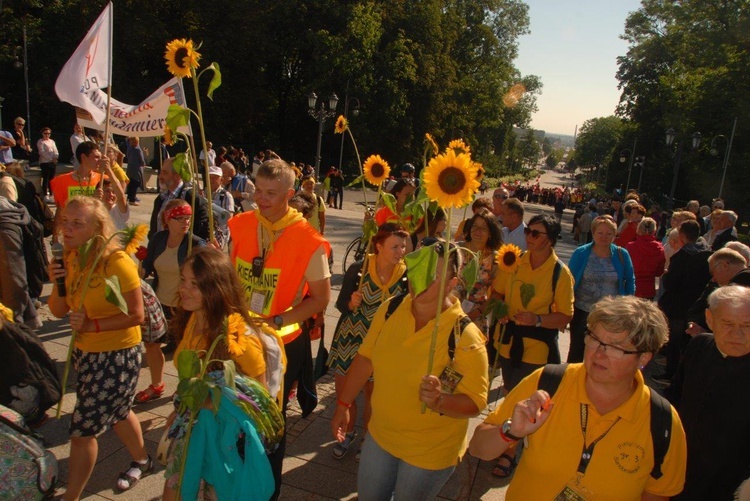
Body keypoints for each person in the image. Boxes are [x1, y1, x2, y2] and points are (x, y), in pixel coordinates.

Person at [469, 295, 687, 500]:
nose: (599, 353)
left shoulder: (662, 421)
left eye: (616, 347)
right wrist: (511, 432)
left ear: (644, 358)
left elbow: (657, 493)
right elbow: (478, 448)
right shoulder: (548, 382)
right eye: (594, 339)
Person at [331, 243, 488, 500]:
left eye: (434, 275)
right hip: (380, 436)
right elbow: (365, 358)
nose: (421, 281)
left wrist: (439, 400)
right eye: (418, 269)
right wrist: (342, 404)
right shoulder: (391, 308)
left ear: (452, 282)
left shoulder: (465, 336)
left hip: (428, 453)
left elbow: (475, 403)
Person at [227, 157, 331, 499]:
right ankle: (232, 478)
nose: (262, 198)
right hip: (237, 338)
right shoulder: (240, 224)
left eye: (271, 193)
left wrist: (277, 321)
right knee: (232, 411)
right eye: (258, 190)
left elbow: (319, 300)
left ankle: (266, 489)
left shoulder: (308, 238)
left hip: (278, 346)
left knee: (269, 422)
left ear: (289, 194)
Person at [47, 196, 151, 498]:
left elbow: (137, 315)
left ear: (97, 228)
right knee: (119, 411)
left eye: (77, 223)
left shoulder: (117, 262)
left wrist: (92, 325)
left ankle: (71, 496)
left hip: (117, 356)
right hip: (86, 352)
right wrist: (57, 283)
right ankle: (143, 459)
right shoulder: (71, 256)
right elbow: (57, 311)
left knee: (82, 432)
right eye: (65, 221)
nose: (67, 229)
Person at [162, 247, 284, 501]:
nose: (184, 288)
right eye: (183, 280)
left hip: (221, 445)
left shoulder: (240, 338)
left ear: (215, 289)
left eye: (195, 284)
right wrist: (181, 408)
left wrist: (208, 403)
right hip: (192, 429)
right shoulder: (195, 317)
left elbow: (258, 403)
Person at [489, 214, 574, 477]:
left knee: (524, 399)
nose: (529, 237)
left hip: (536, 347)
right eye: (528, 232)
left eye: (536, 234)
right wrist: (501, 309)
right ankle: (507, 438)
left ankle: (509, 452)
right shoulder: (513, 261)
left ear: (550, 240)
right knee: (509, 389)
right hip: (508, 341)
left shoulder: (560, 273)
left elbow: (565, 316)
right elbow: (497, 292)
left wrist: (537, 319)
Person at [328, 223, 409, 460]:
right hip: (350, 339)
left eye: (403, 246)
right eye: (394, 246)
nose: (400, 251)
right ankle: (348, 431)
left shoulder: (406, 275)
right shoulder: (359, 268)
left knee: (373, 394)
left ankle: (368, 437)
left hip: (382, 343)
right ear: (379, 246)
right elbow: (340, 304)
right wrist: (351, 303)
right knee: (345, 392)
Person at [666, 285, 750, 500]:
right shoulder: (699, 345)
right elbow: (675, 394)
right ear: (710, 319)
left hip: (732, 483)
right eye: (728, 324)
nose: (737, 334)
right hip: (679, 468)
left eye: (747, 326)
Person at [139, 199, 206, 403]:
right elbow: (147, 267)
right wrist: (139, 262)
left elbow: (207, 272)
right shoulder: (159, 238)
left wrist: (212, 252)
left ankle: (185, 387)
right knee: (152, 345)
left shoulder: (194, 243)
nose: (185, 222)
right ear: (168, 220)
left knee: (186, 351)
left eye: (188, 218)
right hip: (159, 302)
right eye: (180, 218)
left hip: (184, 306)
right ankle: (157, 384)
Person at [567, 215, 635, 362]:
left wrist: (629, 305)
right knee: (577, 351)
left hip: (611, 315)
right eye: (600, 233)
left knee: (604, 353)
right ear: (593, 233)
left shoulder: (621, 254)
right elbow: (568, 281)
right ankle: (572, 381)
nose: (604, 237)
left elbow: (629, 280)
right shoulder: (581, 253)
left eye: (609, 234)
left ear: (615, 235)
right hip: (583, 311)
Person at [658, 220, 712, 380]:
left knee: (674, 342)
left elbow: (670, 283)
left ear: (681, 235)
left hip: (678, 305)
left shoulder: (682, 256)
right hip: (696, 305)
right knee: (686, 344)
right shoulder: (707, 253)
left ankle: (671, 374)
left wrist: (666, 274)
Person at [456, 209, 503, 336]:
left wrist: (477, 312)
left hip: (476, 317)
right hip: (450, 311)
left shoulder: (496, 260)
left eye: (483, 228)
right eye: (475, 226)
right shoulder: (456, 250)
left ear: (491, 233)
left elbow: (497, 294)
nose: (478, 231)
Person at [50, 141, 104, 244]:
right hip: (72, 236)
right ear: (83, 157)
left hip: (94, 237)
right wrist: (55, 236)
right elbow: (61, 210)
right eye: (96, 157)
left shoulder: (102, 180)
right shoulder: (62, 181)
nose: (100, 161)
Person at [149, 157, 210, 241]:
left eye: (164, 173)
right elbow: (154, 228)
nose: (160, 176)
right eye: (160, 172)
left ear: (177, 175)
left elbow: (202, 231)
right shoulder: (160, 198)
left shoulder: (192, 198)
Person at [626, 217, 666, 300]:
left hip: (632, 287)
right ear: (654, 231)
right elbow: (659, 272)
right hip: (649, 289)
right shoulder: (659, 248)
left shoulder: (630, 247)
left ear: (639, 229)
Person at [208, 165, 234, 248]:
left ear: (221, 180)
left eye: (215, 177)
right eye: (210, 177)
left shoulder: (226, 196)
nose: (212, 180)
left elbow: (229, 218)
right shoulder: (203, 194)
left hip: (219, 234)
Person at [36, 127, 59, 202]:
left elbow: (55, 150)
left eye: (48, 133)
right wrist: (50, 159)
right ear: (42, 134)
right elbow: (42, 152)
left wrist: (55, 157)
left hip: (52, 162)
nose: (47, 135)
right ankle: (45, 194)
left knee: (52, 178)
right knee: (45, 178)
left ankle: (52, 194)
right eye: (45, 133)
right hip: (45, 162)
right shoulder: (40, 141)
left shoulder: (52, 141)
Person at [125, 137, 145, 206]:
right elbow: (141, 159)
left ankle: (129, 196)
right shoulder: (138, 149)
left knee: (130, 183)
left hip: (130, 168)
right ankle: (132, 199)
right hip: (136, 169)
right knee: (135, 183)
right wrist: (143, 164)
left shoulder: (129, 148)